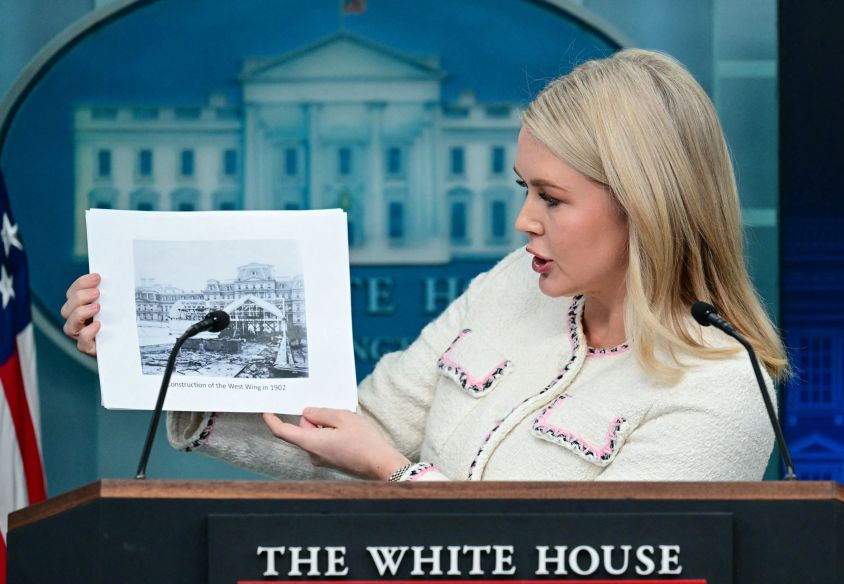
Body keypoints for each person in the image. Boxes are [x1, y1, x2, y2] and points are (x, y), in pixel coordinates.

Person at [61, 49, 788, 482]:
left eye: (552, 197)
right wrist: (162, 359)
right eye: (520, 188)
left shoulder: (725, 387)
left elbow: (607, 569)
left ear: (647, 205)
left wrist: (393, 474)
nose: (522, 221)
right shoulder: (510, 286)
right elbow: (353, 432)